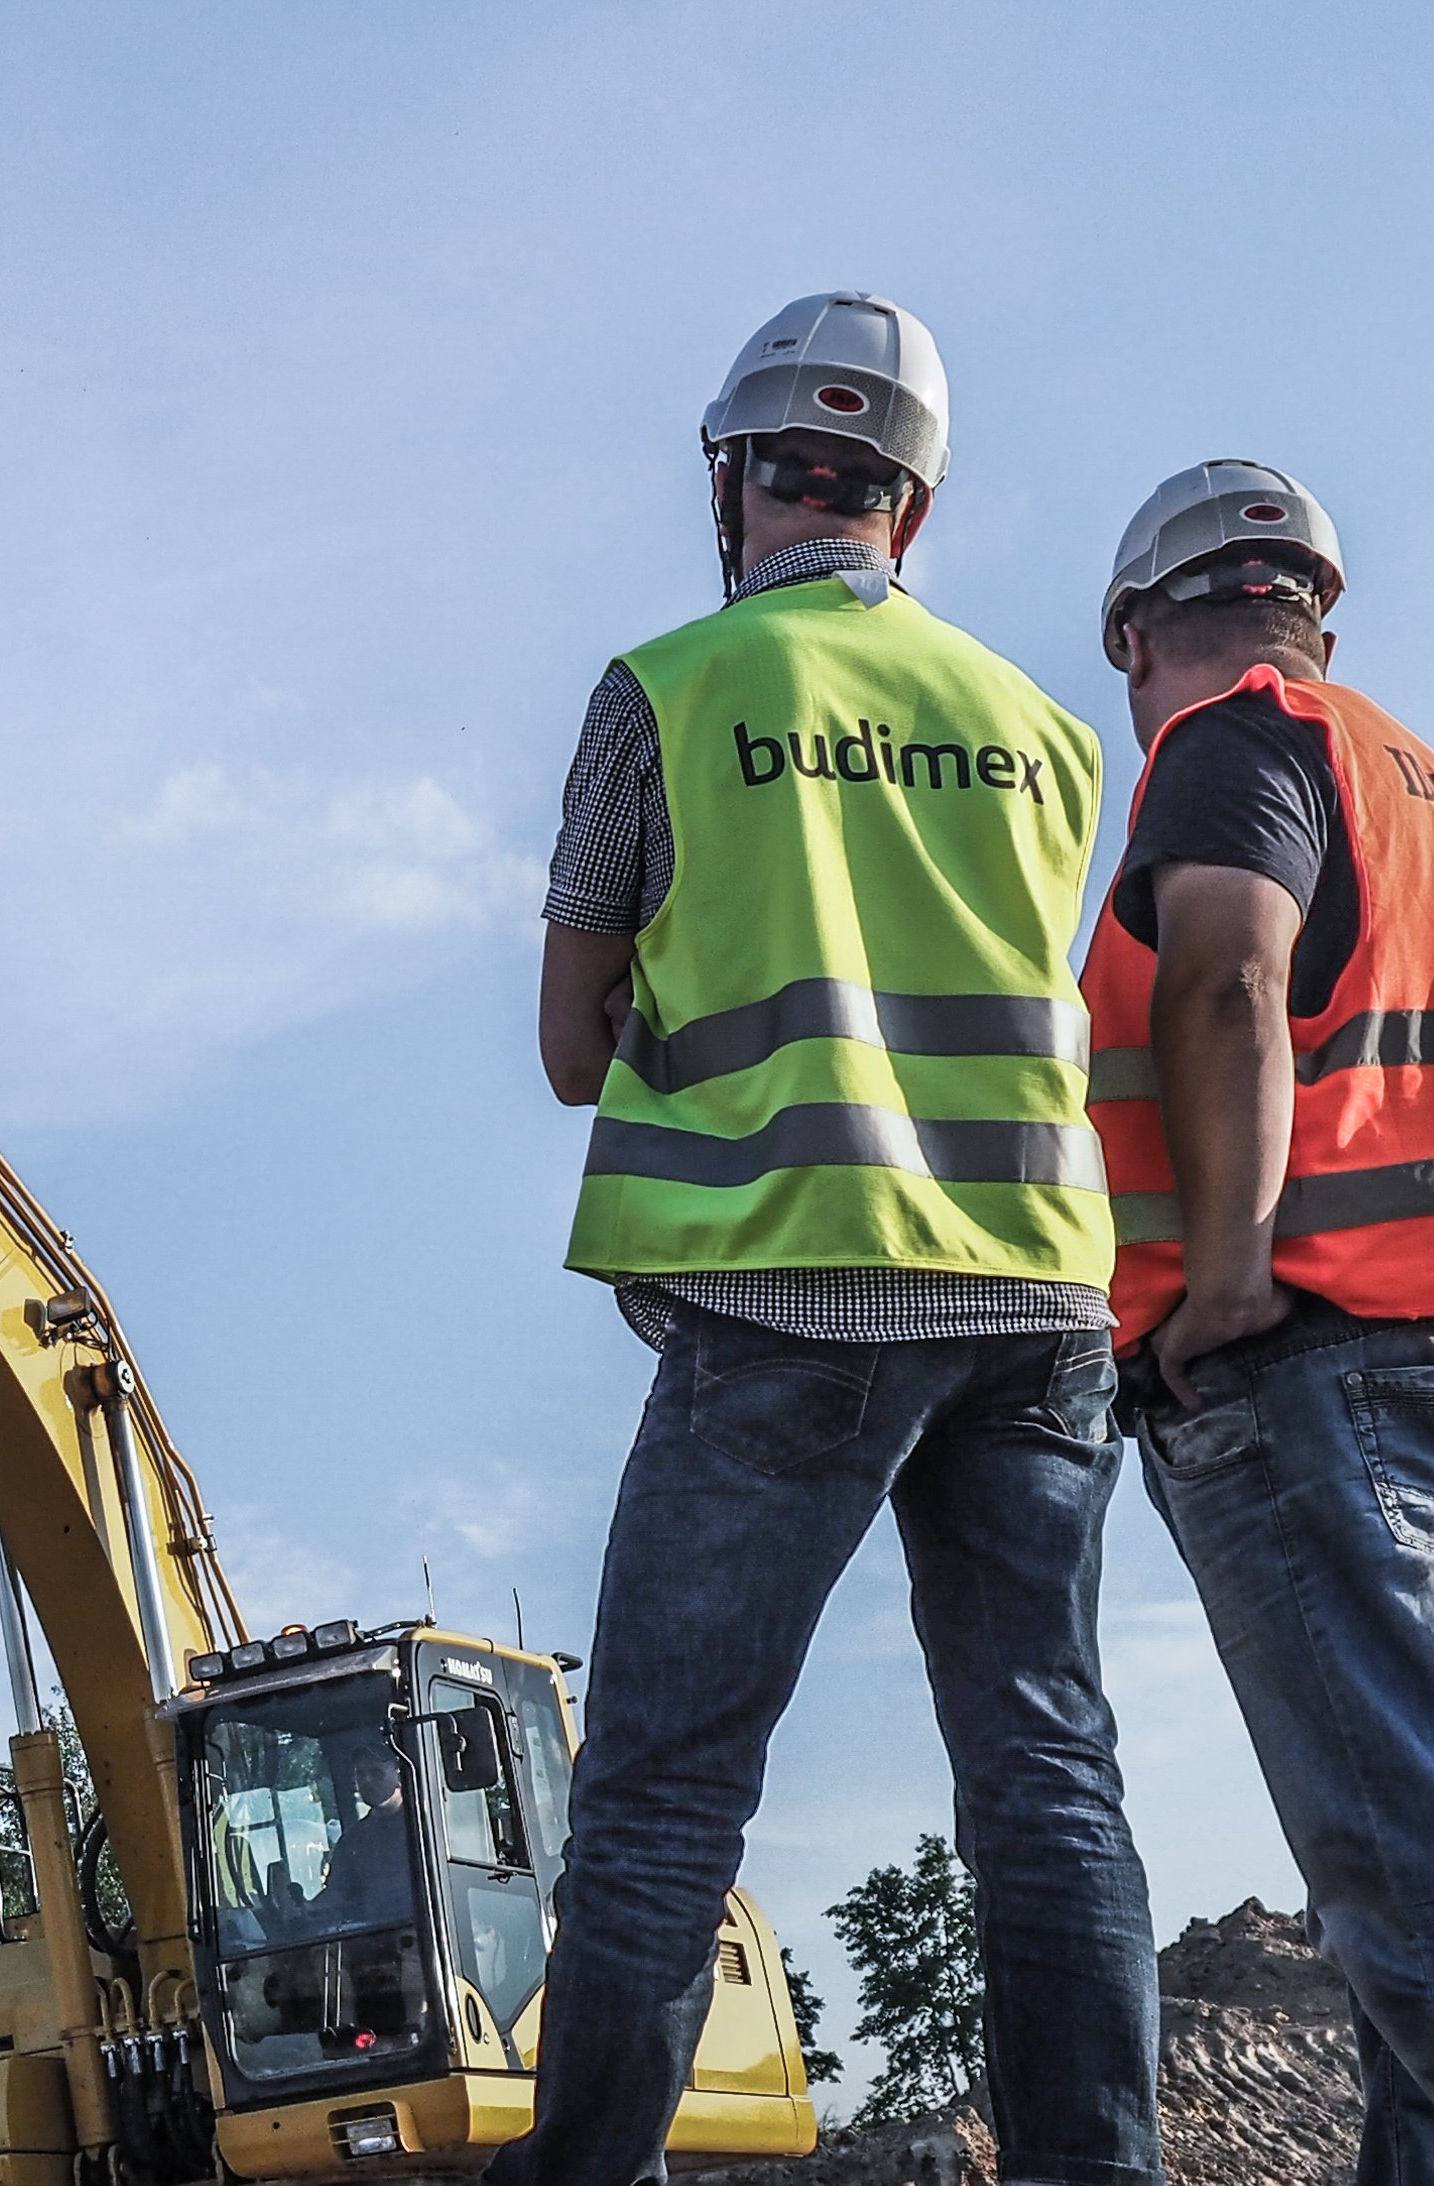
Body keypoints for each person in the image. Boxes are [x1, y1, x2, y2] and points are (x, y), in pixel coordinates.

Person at [511, 293, 1157, 2186]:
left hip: (790, 1287)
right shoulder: (1042, 732)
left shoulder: (669, 690)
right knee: (1047, 1778)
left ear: (738, 481)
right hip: (1038, 1293)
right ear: (913, 511)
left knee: (658, 1807)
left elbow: (568, 1052)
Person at [1082, 461, 1434, 2186]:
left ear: (1132, 635)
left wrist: (1230, 1270)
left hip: (1318, 1361)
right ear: (1316, 602)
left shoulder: (1231, 745)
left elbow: (1231, 969)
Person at [304, 1734, 418, 1933]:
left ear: (399, 1776)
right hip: (373, 1939)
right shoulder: (352, 1840)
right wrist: (308, 1908)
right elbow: (338, 1893)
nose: (367, 1780)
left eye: (376, 1773)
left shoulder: (420, 1826)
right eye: (360, 1774)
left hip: (420, 1934)